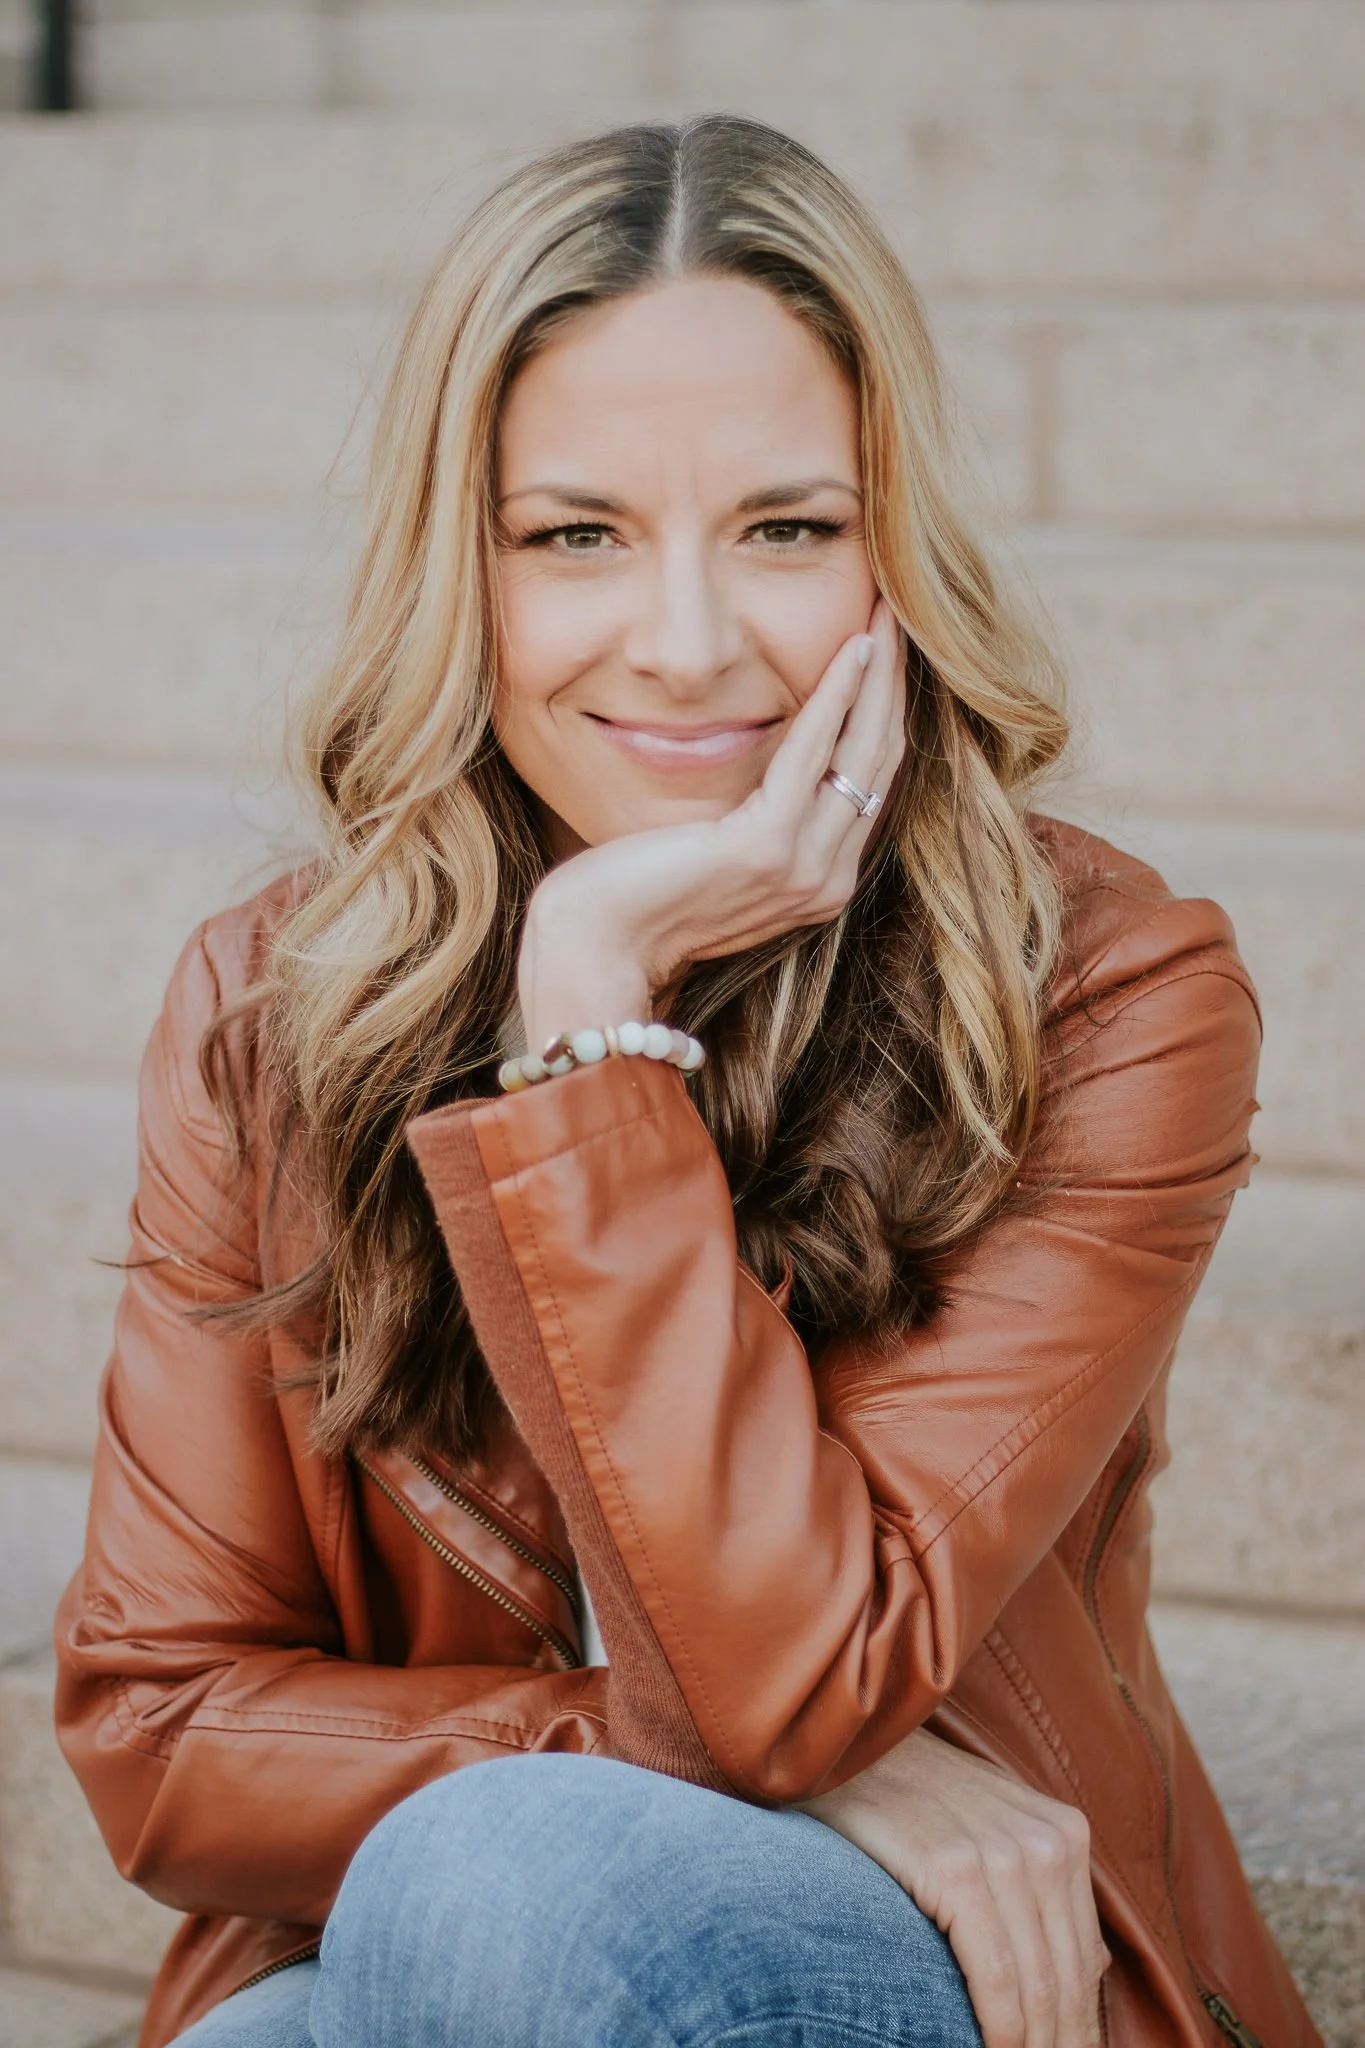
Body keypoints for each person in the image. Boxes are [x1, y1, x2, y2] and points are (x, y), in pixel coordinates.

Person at [54, 117, 1317, 2048]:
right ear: (456, 572)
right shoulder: (269, 1009)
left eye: (788, 529)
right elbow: (160, 1730)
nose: (692, 642)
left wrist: (588, 1026)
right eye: (577, 536)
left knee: (514, 1875)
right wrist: (627, 1745)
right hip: (426, 1951)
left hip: (922, 1971)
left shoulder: (1104, 1001)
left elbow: (786, 1688)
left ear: (895, 548)